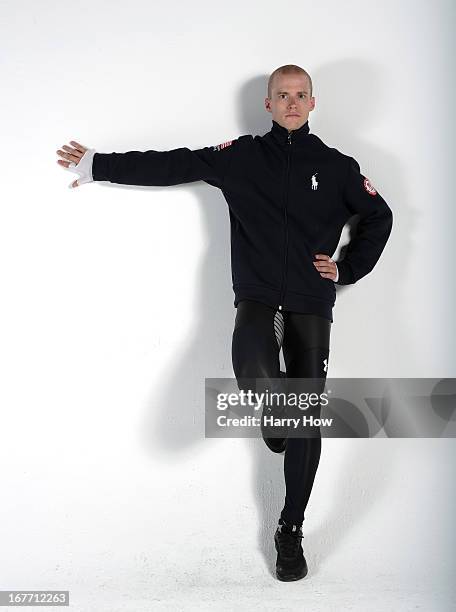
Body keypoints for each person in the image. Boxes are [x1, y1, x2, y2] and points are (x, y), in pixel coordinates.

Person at [56, 64, 393, 582]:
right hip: (257, 295)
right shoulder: (242, 157)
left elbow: (380, 216)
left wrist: (347, 268)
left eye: (301, 95)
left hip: (310, 299)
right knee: (255, 372)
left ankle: (290, 528)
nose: (292, 103)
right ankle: (274, 418)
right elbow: (177, 163)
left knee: (305, 415)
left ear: (313, 101)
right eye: (282, 95)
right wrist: (98, 164)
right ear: (268, 103)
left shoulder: (337, 165)